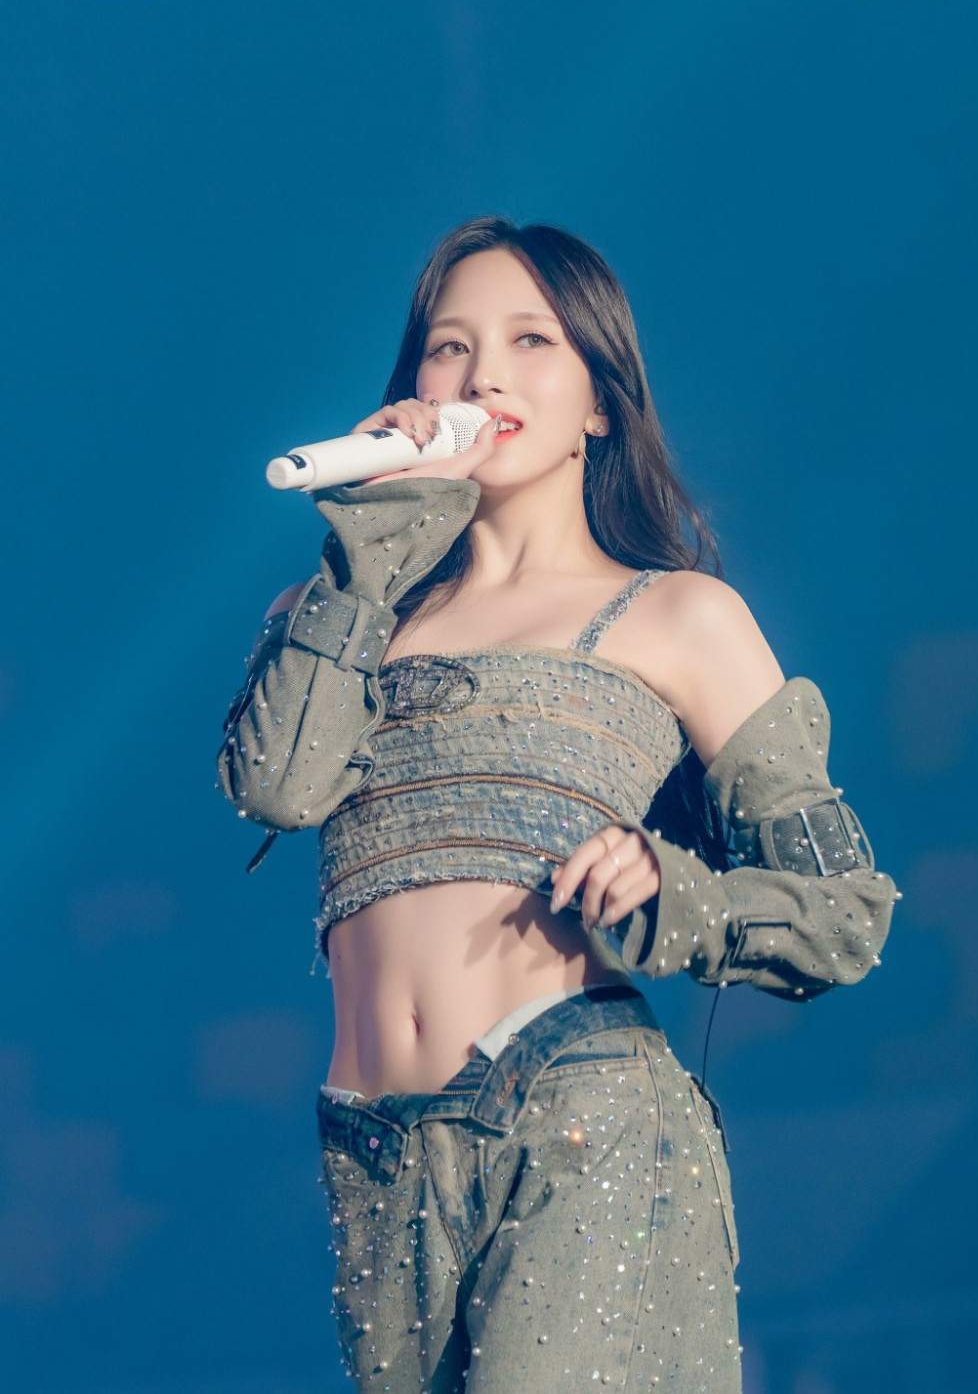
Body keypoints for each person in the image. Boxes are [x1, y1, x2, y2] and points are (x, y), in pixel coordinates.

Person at [215, 216, 898, 1393]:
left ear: (599, 403)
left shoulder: (678, 615)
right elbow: (277, 785)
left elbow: (846, 914)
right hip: (376, 1158)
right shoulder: (334, 611)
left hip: (579, 1112)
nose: (482, 374)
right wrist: (376, 543)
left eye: (530, 341)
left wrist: (670, 890)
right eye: (449, 347)